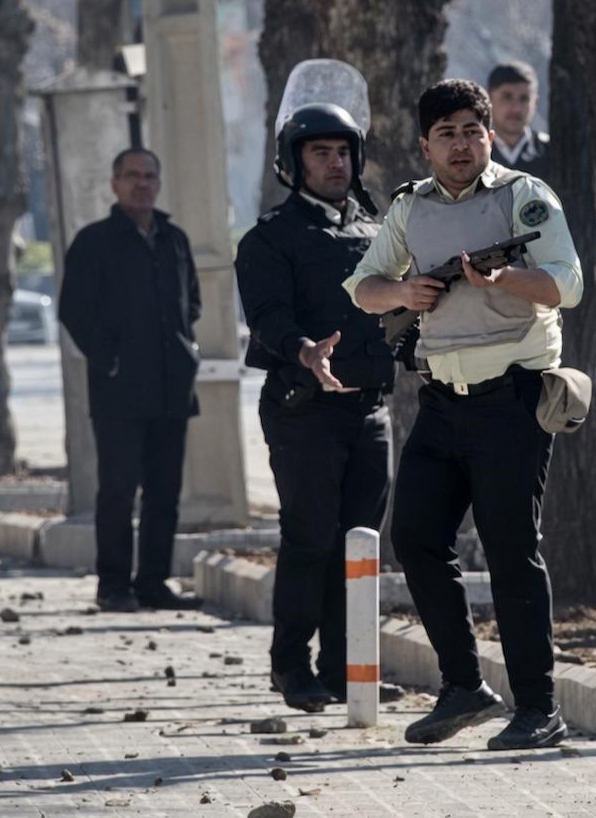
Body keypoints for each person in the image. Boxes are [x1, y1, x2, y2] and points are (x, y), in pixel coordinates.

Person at [345, 78, 582, 751]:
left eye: (471, 131)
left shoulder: (523, 198)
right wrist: (403, 289)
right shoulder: (410, 208)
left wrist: (503, 278)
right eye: (445, 133)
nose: (460, 144)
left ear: (490, 135)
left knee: (510, 551)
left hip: (513, 400)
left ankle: (539, 708)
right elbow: (363, 288)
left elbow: (567, 284)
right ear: (424, 144)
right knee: (415, 536)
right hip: (441, 402)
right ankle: (463, 687)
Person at [235, 102, 393, 714]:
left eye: (343, 151)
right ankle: (291, 665)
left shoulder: (379, 231)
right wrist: (305, 353)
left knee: (359, 542)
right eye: (319, 152)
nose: (335, 163)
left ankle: (344, 668)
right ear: (292, 162)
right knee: (309, 538)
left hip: (369, 410)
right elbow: (269, 317)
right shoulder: (270, 237)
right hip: (302, 411)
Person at [58, 148, 203, 614]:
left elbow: (192, 304)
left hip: (172, 388)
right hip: (120, 392)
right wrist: (111, 359)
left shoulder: (174, 240)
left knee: (164, 491)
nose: (142, 183)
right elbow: (74, 311)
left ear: (159, 183)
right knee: (119, 490)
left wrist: (187, 352)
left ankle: (153, 582)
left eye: (149, 176)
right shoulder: (94, 242)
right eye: (132, 176)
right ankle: (114, 584)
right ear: (114, 183)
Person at [487, 61, 549, 178]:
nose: (516, 108)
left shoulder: (552, 153)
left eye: (524, 99)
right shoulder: (474, 152)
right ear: (489, 99)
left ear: (535, 102)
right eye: (507, 97)